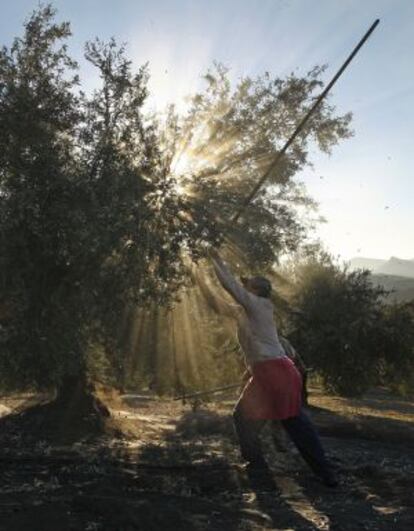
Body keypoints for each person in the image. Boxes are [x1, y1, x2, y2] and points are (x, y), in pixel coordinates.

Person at [208, 249, 337, 487]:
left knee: (283, 422)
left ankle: (315, 473)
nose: (245, 287)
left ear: (257, 291)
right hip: (272, 372)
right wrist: (201, 278)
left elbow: (230, 287)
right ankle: (318, 472)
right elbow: (221, 303)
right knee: (271, 420)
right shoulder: (249, 311)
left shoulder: (259, 305)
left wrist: (216, 259)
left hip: (274, 373)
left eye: (249, 285)